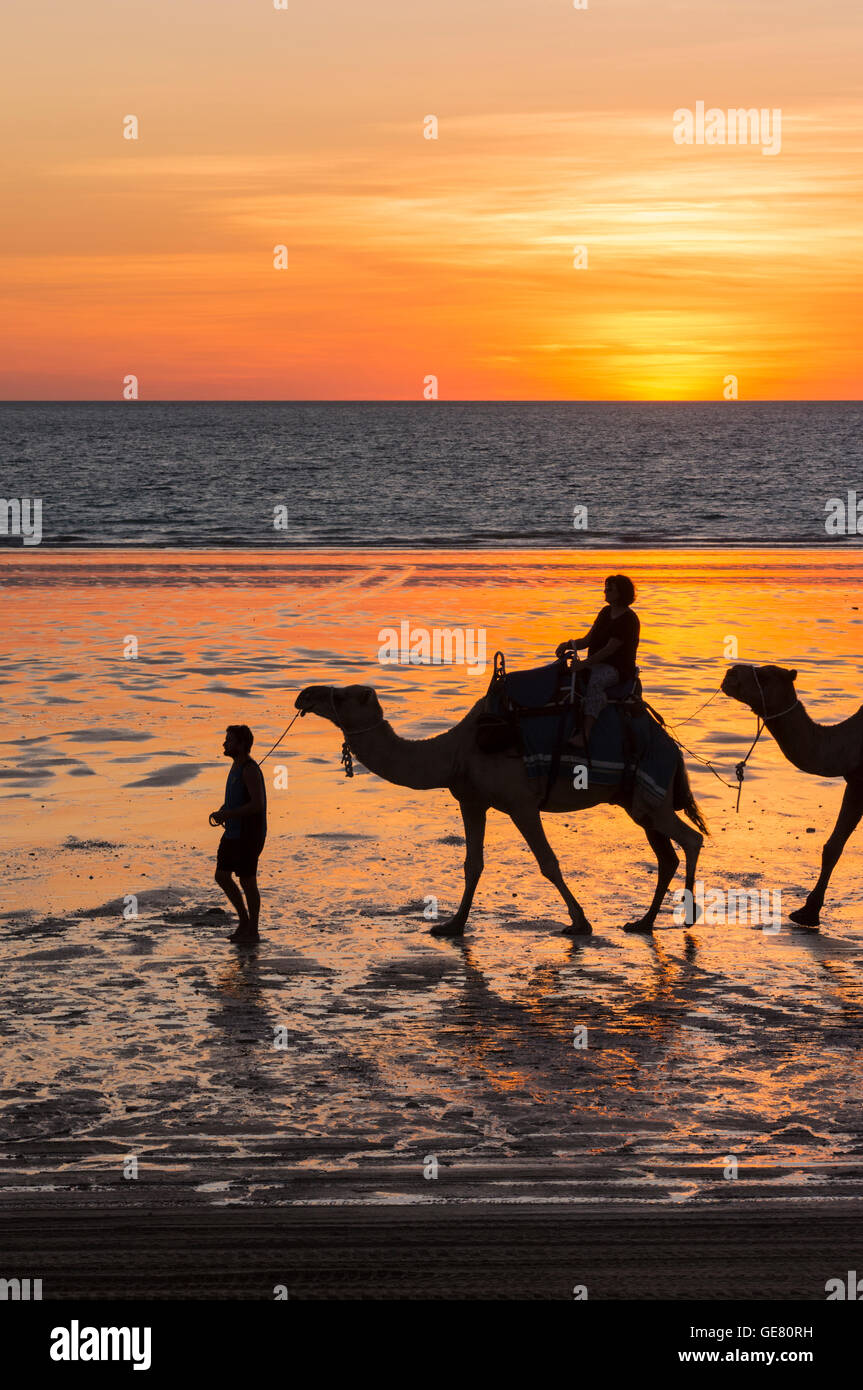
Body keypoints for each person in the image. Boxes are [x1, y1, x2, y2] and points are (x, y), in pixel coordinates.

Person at [556, 575, 640, 747]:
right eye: (605, 587)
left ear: (621, 593)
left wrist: (584, 664)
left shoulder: (628, 620)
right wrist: (568, 645)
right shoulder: (605, 612)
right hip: (595, 663)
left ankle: (585, 734)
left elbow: (609, 650)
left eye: (610, 589)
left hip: (616, 668)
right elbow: (587, 640)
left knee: (595, 682)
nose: (605, 591)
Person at [211, 724, 267, 943]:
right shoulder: (236, 767)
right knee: (221, 876)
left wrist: (230, 814)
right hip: (233, 832)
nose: (225, 743)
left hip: (249, 834)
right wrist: (224, 811)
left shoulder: (250, 769)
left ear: (242, 745)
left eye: (229, 740)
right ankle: (244, 920)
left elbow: (257, 805)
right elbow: (237, 798)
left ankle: (252, 929)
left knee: (247, 880)